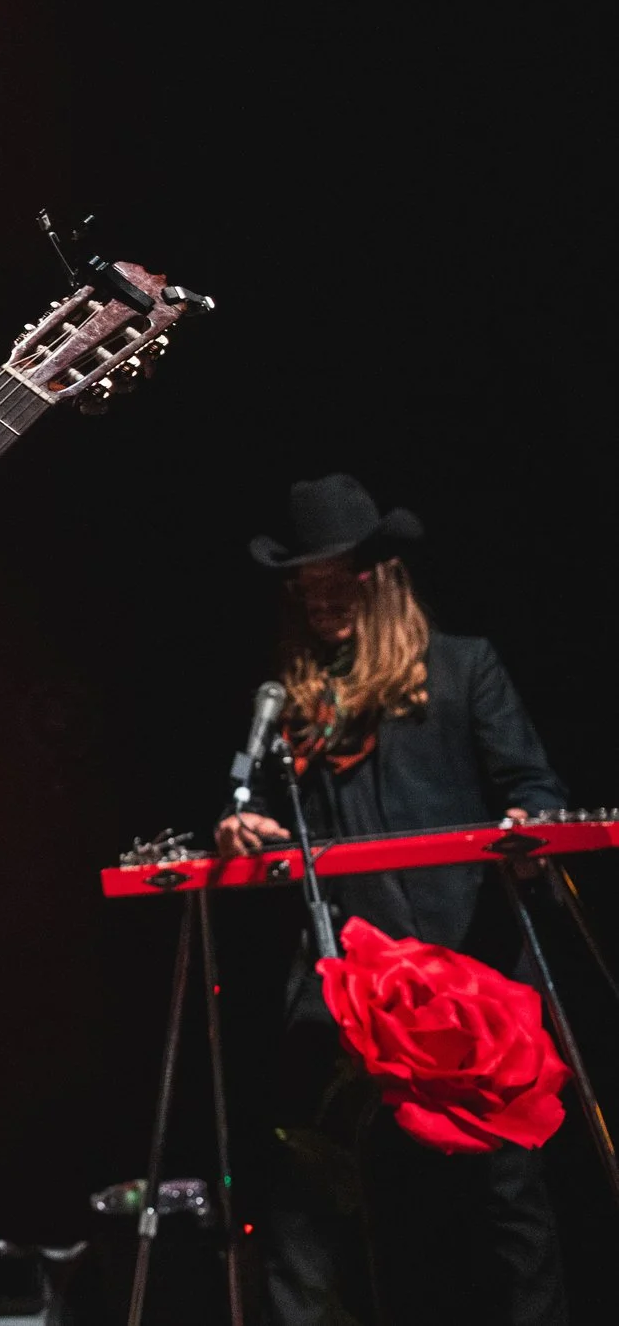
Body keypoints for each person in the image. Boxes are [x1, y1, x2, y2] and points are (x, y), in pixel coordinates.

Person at [218, 473, 570, 1326]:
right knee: (304, 1183)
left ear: (379, 578)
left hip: (464, 970)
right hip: (346, 976)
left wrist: (529, 832)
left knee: (505, 1194)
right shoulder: (291, 700)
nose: (320, 603)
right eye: (306, 588)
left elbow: (537, 790)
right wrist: (244, 828)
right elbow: (267, 814)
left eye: (335, 582)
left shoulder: (462, 668)